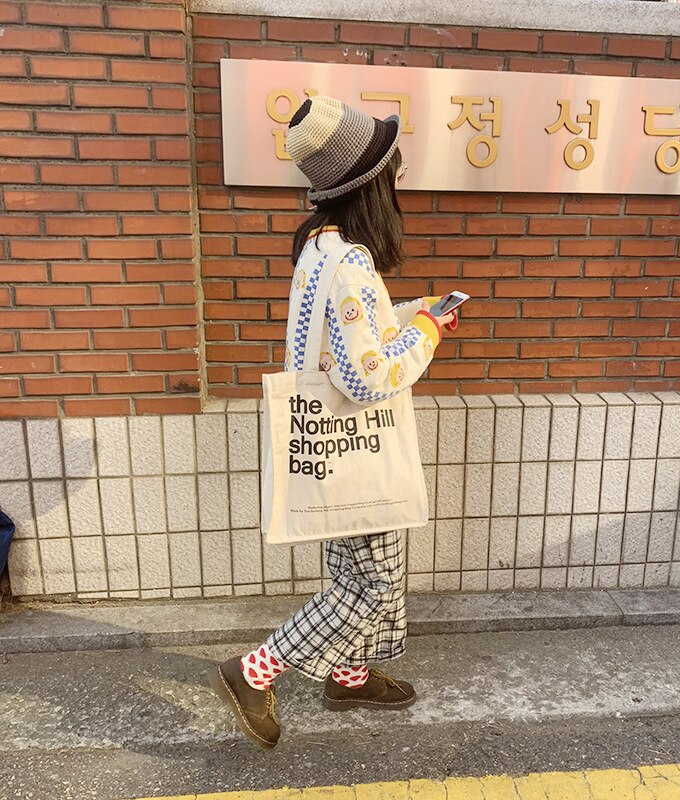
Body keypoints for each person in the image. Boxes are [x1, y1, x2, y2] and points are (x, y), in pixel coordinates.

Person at [208, 95, 457, 751]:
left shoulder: (318, 247)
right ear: (369, 185)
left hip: (326, 443)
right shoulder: (349, 261)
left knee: (355, 576)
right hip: (358, 446)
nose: (397, 183)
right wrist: (427, 333)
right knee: (372, 587)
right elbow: (367, 377)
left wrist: (406, 316)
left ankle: (348, 677)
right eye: (392, 173)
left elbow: (346, 342)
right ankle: (252, 672)